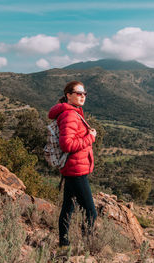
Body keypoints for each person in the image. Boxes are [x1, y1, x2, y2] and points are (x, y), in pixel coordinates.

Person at [48, 80, 98, 247]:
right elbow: (67, 145)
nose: (82, 96)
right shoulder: (70, 114)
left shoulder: (73, 111)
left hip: (72, 168)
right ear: (68, 95)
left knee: (68, 207)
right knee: (91, 212)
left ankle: (64, 243)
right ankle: (87, 246)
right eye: (78, 93)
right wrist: (90, 137)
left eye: (84, 93)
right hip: (76, 170)